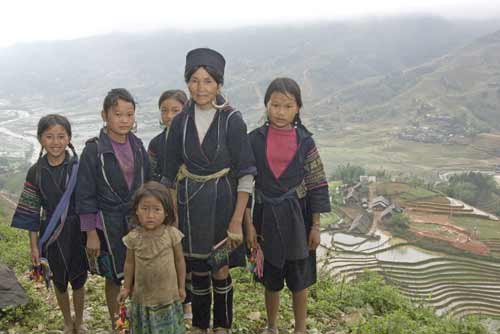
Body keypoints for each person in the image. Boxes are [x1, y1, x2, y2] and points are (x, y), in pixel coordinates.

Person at [163, 48, 257, 334]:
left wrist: (236, 220)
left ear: (219, 84)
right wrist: (174, 218)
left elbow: (246, 174)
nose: (200, 88)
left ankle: (223, 325)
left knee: (220, 267)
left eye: (207, 81)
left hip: (223, 203)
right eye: (194, 80)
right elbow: (168, 176)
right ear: (187, 82)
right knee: (198, 270)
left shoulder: (231, 120)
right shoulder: (179, 123)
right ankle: (201, 326)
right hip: (189, 204)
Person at [246, 78, 331, 334]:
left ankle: (300, 329)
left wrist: (315, 226)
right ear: (266, 106)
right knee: (271, 277)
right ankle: (272, 327)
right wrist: (248, 224)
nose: (280, 112)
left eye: (287, 106)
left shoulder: (306, 142)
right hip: (265, 217)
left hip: (298, 218)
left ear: (297, 108)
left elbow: (316, 183)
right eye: (275, 105)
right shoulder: (254, 140)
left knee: (299, 278)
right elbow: (244, 184)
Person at [76, 88, 151, 330]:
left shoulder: (138, 145)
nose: (124, 120)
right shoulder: (93, 151)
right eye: (118, 114)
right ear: (104, 115)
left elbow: (148, 183)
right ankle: (118, 322)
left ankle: (140, 320)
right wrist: (90, 233)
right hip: (107, 223)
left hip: (137, 221)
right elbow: (85, 194)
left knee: (139, 273)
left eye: (129, 114)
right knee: (114, 276)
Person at [11, 114, 88, 334]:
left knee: (79, 279)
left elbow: (89, 201)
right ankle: (67, 322)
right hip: (51, 233)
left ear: (69, 138)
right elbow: (30, 212)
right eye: (49, 136)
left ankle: (79, 322)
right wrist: (34, 246)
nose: (56, 142)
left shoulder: (78, 167)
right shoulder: (36, 172)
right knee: (59, 280)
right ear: (40, 139)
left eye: (61, 136)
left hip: (77, 232)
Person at [117, 181, 186, 334]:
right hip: (143, 297)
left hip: (168, 295)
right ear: (136, 210)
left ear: (166, 212)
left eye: (156, 210)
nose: (150, 215)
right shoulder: (133, 238)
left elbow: (179, 261)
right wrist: (127, 287)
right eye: (145, 209)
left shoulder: (172, 234)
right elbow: (129, 264)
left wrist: (181, 287)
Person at [148, 90, 188, 183]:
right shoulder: (155, 143)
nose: (169, 116)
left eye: (175, 111)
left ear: (186, 111)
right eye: (164, 111)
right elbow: (150, 173)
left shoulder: (197, 139)